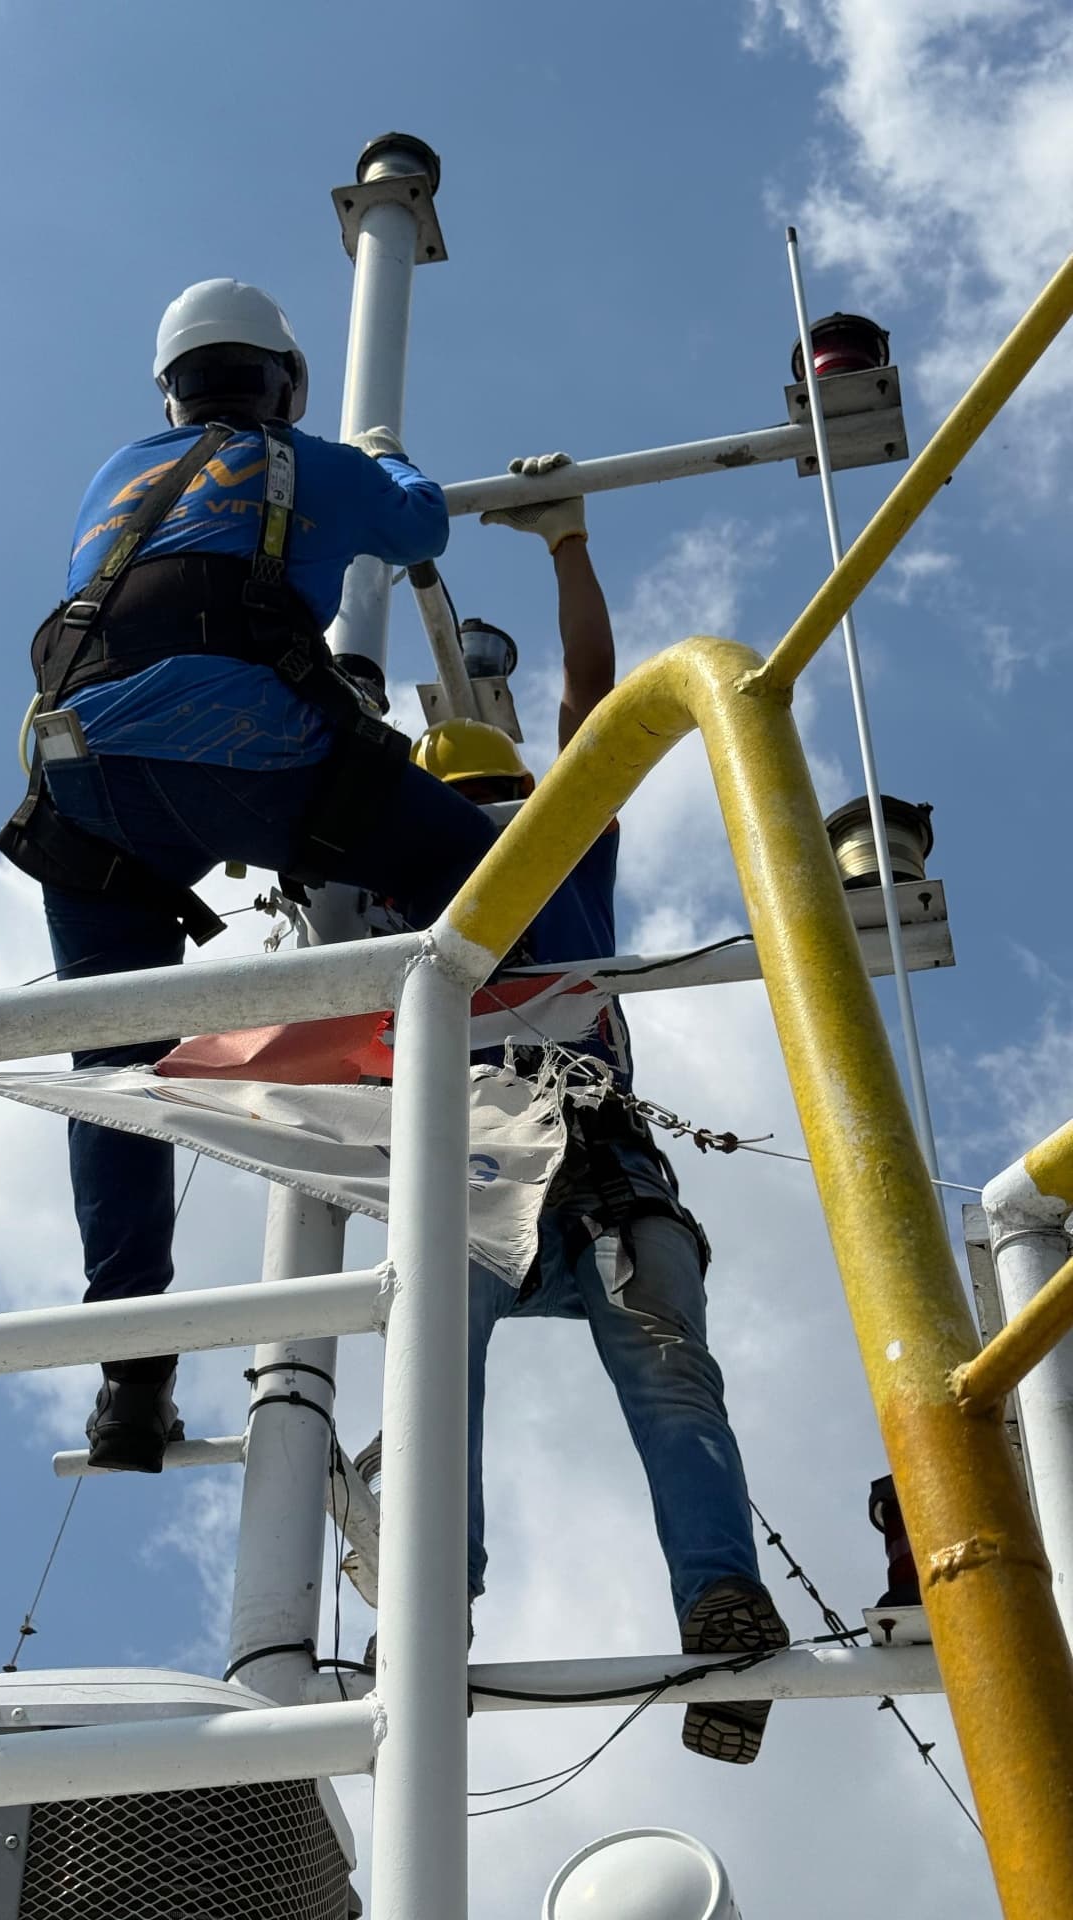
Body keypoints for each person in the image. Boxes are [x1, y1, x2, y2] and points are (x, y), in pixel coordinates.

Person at [0, 279, 497, 1473]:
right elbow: (420, 529)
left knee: (115, 1070)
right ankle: (538, 1078)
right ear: (287, 384)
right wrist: (385, 454)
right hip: (252, 756)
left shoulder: (115, 474)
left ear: (170, 392)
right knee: (485, 871)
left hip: (84, 779)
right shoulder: (313, 463)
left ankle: (130, 1375)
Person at [420, 452, 789, 1766]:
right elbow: (595, 695)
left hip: (549, 1165)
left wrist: (569, 546)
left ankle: (443, 1605)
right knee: (663, 1379)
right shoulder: (526, 844)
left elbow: (593, 702)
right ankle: (712, 1605)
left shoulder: (494, 852)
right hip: (530, 1169)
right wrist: (567, 543)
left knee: (445, 1368)